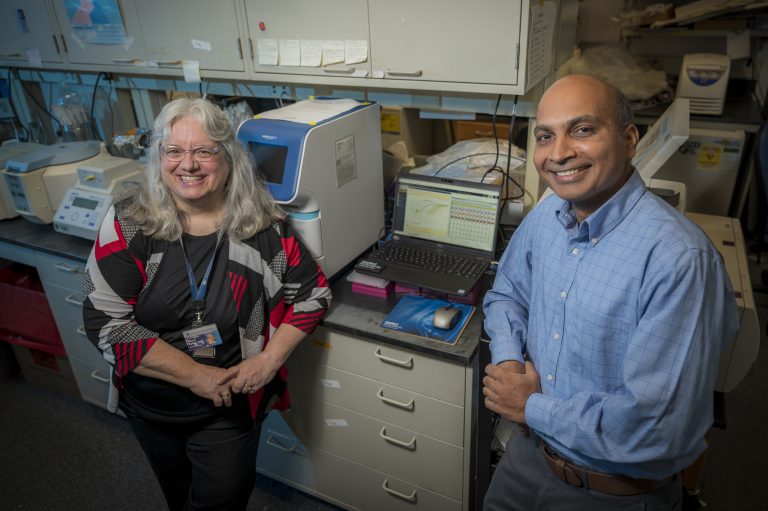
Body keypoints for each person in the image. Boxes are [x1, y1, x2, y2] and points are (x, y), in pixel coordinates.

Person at [481, 75, 738, 510]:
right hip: (525, 461)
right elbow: (506, 293)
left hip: (611, 493)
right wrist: (509, 364)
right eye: (546, 135)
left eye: (582, 129)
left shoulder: (679, 259)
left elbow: (657, 428)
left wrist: (530, 406)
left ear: (629, 139)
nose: (558, 152)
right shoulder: (547, 217)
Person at [82, 98, 331, 511]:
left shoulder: (261, 226)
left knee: (220, 501)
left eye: (203, 150)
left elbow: (313, 294)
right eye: (174, 151)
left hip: (228, 404)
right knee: (178, 496)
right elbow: (105, 323)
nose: (188, 164)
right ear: (159, 157)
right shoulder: (130, 222)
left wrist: (268, 361)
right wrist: (195, 375)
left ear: (228, 157)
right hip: (150, 403)